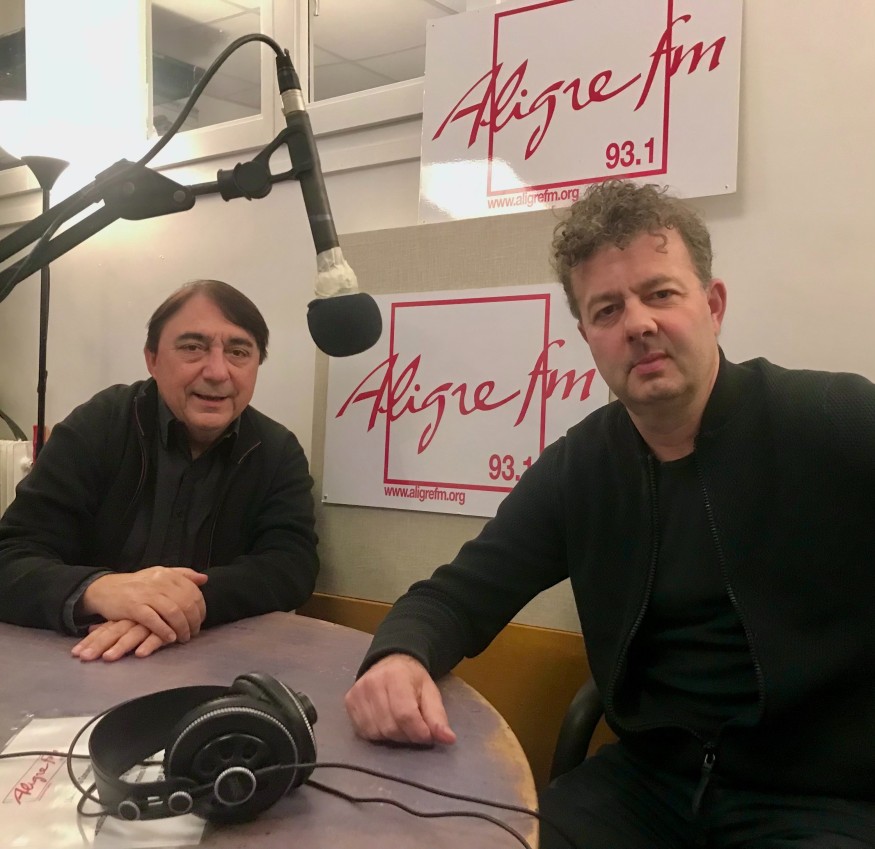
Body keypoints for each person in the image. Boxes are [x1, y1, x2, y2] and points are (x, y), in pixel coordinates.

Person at [344, 182, 875, 848]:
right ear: (588, 337)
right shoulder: (580, 468)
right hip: (647, 783)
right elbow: (456, 596)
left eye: (661, 293)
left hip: (822, 797)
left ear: (712, 305)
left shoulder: (832, 420)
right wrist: (397, 656)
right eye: (607, 309)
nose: (637, 324)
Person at [0, 280, 319, 663]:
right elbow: (11, 557)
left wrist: (181, 603)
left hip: (211, 663)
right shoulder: (100, 425)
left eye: (238, 352)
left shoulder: (277, 450)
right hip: (80, 656)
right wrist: (99, 589)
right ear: (152, 359)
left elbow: (291, 566)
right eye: (193, 347)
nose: (217, 371)